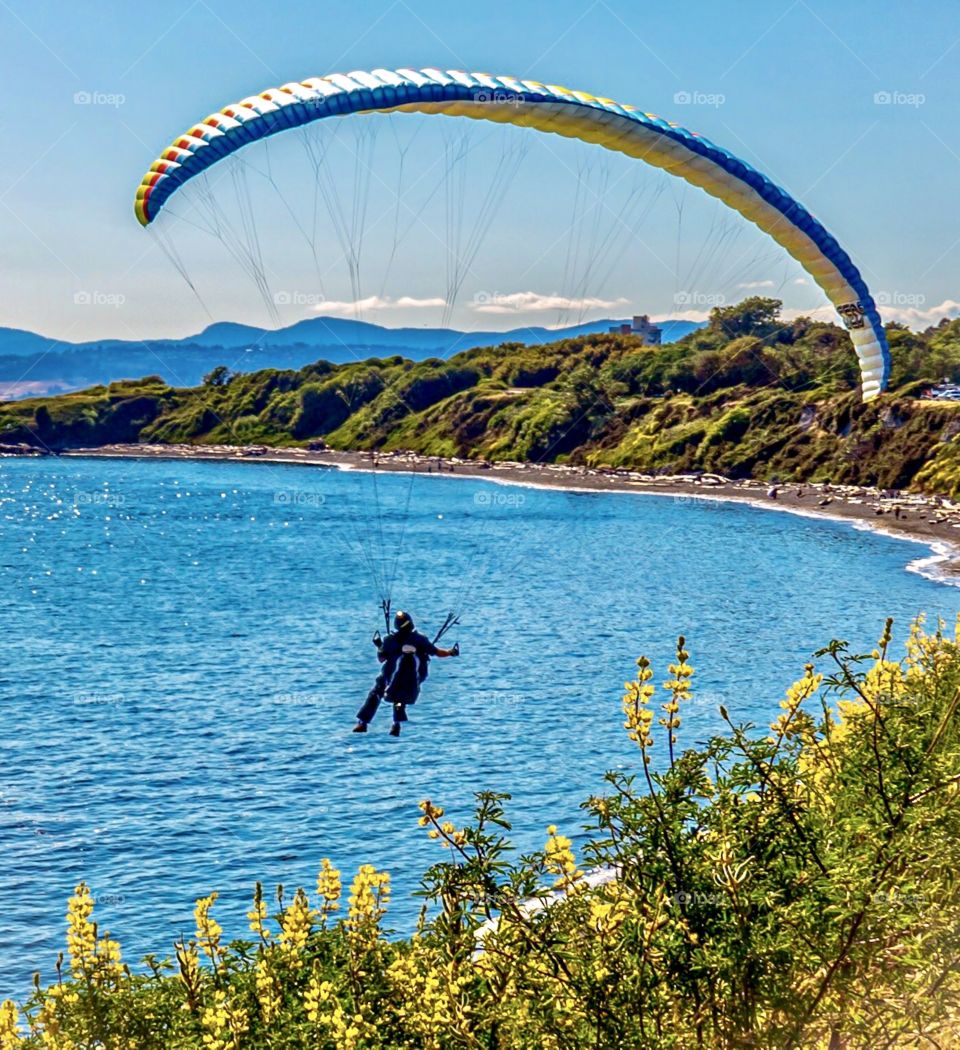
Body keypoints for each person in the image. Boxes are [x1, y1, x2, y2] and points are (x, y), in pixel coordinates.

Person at [353, 610, 459, 736]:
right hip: (412, 682)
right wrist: (451, 652)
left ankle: (362, 723)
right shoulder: (420, 640)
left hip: (390, 679)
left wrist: (380, 646)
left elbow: (381, 659)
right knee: (400, 696)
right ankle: (396, 723)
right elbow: (437, 653)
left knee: (377, 692)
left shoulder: (389, 640)